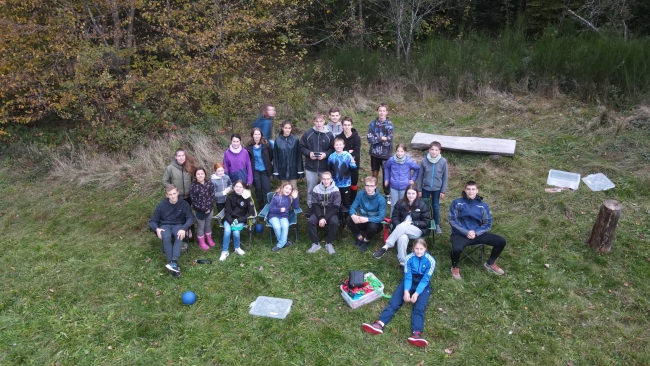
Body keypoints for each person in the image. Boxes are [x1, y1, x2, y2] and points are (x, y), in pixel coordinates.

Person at [362, 238, 436, 348]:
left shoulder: (431, 261)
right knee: (394, 302)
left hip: (423, 284)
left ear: (425, 248)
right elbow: (408, 276)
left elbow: (425, 279)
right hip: (409, 280)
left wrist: (416, 293)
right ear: (413, 248)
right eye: (416, 249)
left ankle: (416, 334)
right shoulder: (409, 258)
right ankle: (379, 324)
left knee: (419, 308)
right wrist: (406, 291)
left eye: (421, 249)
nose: (419, 251)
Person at [449, 181, 507, 280]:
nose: (470, 191)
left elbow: (488, 223)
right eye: (468, 189)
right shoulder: (457, 202)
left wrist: (476, 233)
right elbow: (452, 220)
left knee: (501, 241)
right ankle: (455, 266)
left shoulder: (483, 205)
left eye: (473, 189)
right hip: (460, 234)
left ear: (477, 191)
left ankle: (490, 263)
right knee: (456, 249)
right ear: (465, 190)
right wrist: (466, 232)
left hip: (477, 234)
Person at [373, 185, 430, 270]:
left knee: (403, 226)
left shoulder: (421, 205)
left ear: (417, 194)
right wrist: (400, 224)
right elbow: (394, 218)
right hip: (401, 229)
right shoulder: (400, 203)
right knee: (402, 237)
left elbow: (426, 222)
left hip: (417, 230)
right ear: (406, 194)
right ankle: (403, 262)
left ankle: (386, 246)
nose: (411, 195)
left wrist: (412, 223)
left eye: (413, 193)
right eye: (409, 193)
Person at [149, 184, 194, 278]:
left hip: (178, 225)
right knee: (166, 237)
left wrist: (183, 228)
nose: (173, 196)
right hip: (165, 225)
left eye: (174, 193)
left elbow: (190, 218)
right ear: (167, 195)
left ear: (178, 193)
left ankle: (174, 262)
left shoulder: (184, 204)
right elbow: (152, 221)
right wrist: (156, 229)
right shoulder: (162, 205)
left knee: (179, 235)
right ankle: (173, 264)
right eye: (170, 194)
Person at [300, 113, 335, 214]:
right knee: (311, 188)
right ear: (314, 121)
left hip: (324, 167)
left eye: (321, 121)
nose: (319, 124)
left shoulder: (329, 135)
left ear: (324, 121)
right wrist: (309, 153)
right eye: (317, 121)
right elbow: (301, 147)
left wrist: (325, 154)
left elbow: (333, 149)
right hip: (311, 167)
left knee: (326, 187)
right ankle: (311, 206)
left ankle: (326, 206)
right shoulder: (308, 133)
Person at [162, 148, 196, 239]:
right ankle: (179, 233)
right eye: (179, 156)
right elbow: (164, 181)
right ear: (175, 157)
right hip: (177, 197)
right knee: (179, 215)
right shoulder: (170, 168)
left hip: (188, 196)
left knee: (188, 214)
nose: (181, 158)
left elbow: (193, 179)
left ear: (185, 156)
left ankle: (189, 230)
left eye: (183, 156)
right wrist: (172, 191)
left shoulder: (189, 166)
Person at [347, 176, 387, 252]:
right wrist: (353, 215)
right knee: (349, 219)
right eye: (367, 185)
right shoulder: (360, 194)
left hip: (374, 223)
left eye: (371, 186)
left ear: (375, 186)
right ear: (364, 186)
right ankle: (359, 237)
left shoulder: (380, 199)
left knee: (372, 226)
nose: (369, 188)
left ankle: (366, 240)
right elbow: (352, 208)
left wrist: (367, 219)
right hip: (362, 221)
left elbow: (381, 217)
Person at [416, 141, 448, 235]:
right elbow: (420, 175)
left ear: (439, 151)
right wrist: (419, 189)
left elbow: (445, 177)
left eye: (436, 150)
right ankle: (424, 222)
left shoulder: (443, 161)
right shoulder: (424, 160)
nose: (434, 152)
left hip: (437, 188)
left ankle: (436, 224)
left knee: (435, 206)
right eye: (432, 149)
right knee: (424, 206)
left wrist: (443, 190)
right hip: (425, 188)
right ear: (429, 150)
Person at [220, 180, 256, 261]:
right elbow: (227, 212)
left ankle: (237, 248)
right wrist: (231, 221)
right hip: (229, 219)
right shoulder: (230, 197)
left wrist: (238, 220)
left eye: (240, 187)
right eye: (236, 186)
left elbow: (251, 212)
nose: (238, 188)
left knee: (236, 232)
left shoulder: (247, 197)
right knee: (227, 231)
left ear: (243, 188)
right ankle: (225, 251)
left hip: (240, 220)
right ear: (233, 187)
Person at [306, 172, 341, 255]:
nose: (326, 181)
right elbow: (314, 205)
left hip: (331, 213)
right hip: (319, 212)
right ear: (321, 179)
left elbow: (336, 207)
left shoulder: (335, 189)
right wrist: (320, 217)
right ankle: (315, 243)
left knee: (335, 222)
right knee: (310, 221)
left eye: (328, 179)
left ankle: (329, 243)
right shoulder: (316, 189)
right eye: (324, 179)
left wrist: (325, 218)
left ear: (331, 179)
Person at [367, 103, 394, 203]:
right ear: (377, 111)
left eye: (384, 111)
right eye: (380, 110)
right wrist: (381, 138)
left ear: (386, 112)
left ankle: (387, 194)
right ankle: (373, 192)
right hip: (374, 154)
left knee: (386, 174)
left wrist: (376, 139)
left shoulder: (390, 125)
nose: (381, 112)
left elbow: (389, 141)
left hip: (386, 154)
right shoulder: (373, 124)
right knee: (374, 173)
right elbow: (369, 139)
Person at [384, 143, 420, 216]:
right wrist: (386, 179)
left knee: (403, 204)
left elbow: (417, 169)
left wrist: (413, 179)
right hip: (393, 186)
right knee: (394, 204)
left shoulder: (409, 161)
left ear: (405, 152)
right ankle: (392, 221)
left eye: (402, 151)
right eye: (398, 151)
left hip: (404, 187)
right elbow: (386, 168)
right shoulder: (391, 160)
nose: (399, 153)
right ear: (395, 151)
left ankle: (402, 220)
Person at [246, 127, 273, 210]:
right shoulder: (248, 147)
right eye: (255, 134)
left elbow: (271, 156)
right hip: (255, 171)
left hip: (265, 170)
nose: (257, 136)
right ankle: (261, 207)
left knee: (267, 190)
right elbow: (248, 159)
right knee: (258, 189)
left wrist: (268, 164)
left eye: (258, 134)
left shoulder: (266, 145)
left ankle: (268, 207)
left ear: (261, 135)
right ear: (252, 135)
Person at [268, 182, 300, 252]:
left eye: (290, 189)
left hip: (284, 216)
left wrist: (295, 198)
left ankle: (280, 244)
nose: (288, 190)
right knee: (277, 227)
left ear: (291, 191)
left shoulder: (290, 198)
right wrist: (279, 210)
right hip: (273, 216)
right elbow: (270, 209)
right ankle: (283, 243)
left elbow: (296, 206)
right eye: (286, 188)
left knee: (285, 226)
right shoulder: (276, 197)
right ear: (282, 188)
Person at [190, 167, 216, 251]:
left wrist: (208, 208)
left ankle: (209, 239)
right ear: (195, 175)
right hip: (199, 211)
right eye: (198, 174)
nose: (200, 175)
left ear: (205, 174)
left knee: (208, 225)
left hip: (210, 209)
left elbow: (212, 196)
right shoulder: (193, 186)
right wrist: (204, 209)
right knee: (201, 226)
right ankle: (202, 243)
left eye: (202, 173)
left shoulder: (209, 183)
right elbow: (194, 200)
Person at [273, 120, 304, 189]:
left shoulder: (295, 140)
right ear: (282, 128)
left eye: (289, 128)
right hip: (282, 170)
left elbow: (298, 156)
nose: (287, 130)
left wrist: (300, 170)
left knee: (293, 188)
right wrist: (276, 171)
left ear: (291, 129)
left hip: (293, 170)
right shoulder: (278, 140)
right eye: (285, 128)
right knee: (284, 189)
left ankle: (295, 200)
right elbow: (275, 157)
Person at [328, 137, 357, 212]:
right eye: (336, 145)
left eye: (340, 145)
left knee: (346, 202)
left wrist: (353, 163)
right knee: (336, 202)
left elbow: (353, 169)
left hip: (345, 184)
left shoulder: (348, 155)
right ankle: (337, 217)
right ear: (334, 146)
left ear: (343, 145)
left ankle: (348, 217)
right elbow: (329, 169)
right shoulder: (331, 157)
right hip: (335, 184)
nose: (338, 146)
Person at [337, 117, 361, 203]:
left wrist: (343, 152)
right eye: (345, 125)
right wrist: (348, 151)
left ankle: (353, 201)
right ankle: (342, 201)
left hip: (353, 165)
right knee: (342, 184)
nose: (347, 127)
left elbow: (356, 154)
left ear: (352, 125)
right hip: (341, 166)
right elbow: (337, 152)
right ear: (342, 126)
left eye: (348, 125)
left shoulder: (356, 138)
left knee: (353, 184)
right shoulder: (338, 137)